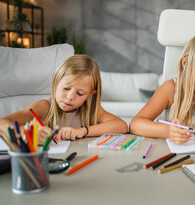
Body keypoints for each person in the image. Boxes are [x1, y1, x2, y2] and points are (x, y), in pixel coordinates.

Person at [0, 55, 128, 144]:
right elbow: (3, 123)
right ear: (56, 83)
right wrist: (26, 134)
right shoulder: (44, 107)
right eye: (66, 88)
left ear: (90, 95)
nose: (70, 97)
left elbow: (121, 126)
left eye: (80, 93)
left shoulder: (90, 110)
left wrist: (83, 131)